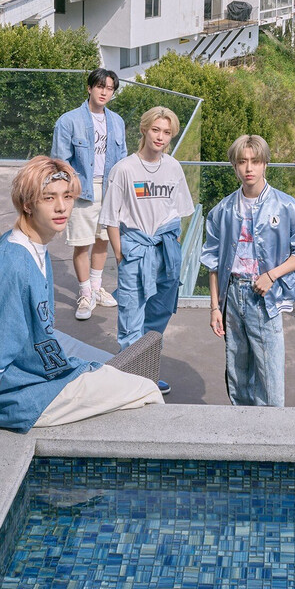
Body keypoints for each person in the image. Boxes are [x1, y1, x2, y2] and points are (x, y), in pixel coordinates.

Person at [0, 157, 163, 489]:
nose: (61, 207)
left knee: (115, 376)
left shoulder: (32, 245)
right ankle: (133, 489)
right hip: (22, 395)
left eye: (67, 196)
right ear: (27, 204)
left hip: (41, 372)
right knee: (147, 390)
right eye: (48, 197)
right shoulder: (12, 269)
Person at [202, 135, 295, 407]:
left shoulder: (287, 206)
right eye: (242, 162)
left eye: (255, 161)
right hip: (232, 295)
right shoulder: (223, 209)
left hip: (264, 297)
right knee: (237, 369)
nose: (249, 168)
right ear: (234, 165)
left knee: (269, 373)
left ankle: (270, 437)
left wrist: (271, 275)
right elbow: (212, 261)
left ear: (266, 163)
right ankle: (242, 431)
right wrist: (214, 307)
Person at [100, 106, 195, 392]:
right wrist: (121, 256)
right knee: (131, 316)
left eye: (167, 133)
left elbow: (180, 211)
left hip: (165, 249)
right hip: (135, 250)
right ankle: (131, 381)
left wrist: (173, 247)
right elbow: (110, 219)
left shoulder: (173, 167)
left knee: (159, 313)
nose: (161, 137)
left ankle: (147, 373)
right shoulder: (124, 169)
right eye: (156, 130)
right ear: (144, 129)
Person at [51, 67, 127, 320]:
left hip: (109, 189)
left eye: (109, 89)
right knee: (82, 243)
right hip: (83, 190)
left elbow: (122, 158)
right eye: (100, 87)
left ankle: (96, 288)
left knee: (103, 239)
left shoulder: (117, 121)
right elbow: (60, 161)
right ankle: (84, 294)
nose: (104, 92)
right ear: (90, 88)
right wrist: (70, 190)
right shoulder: (68, 121)